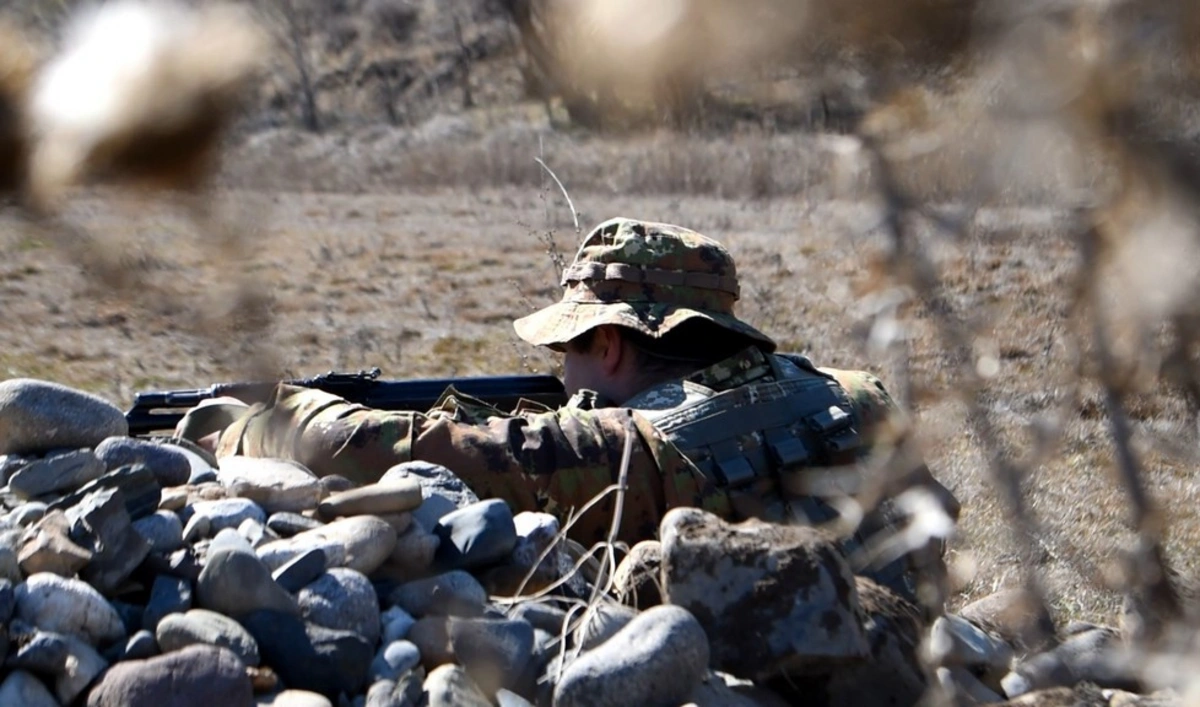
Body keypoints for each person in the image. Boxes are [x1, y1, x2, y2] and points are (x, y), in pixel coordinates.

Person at [204, 217, 959, 598]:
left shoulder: (635, 448)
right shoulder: (855, 392)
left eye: (565, 348)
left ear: (611, 343)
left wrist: (252, 416)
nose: (560, 369)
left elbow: (375, 448)